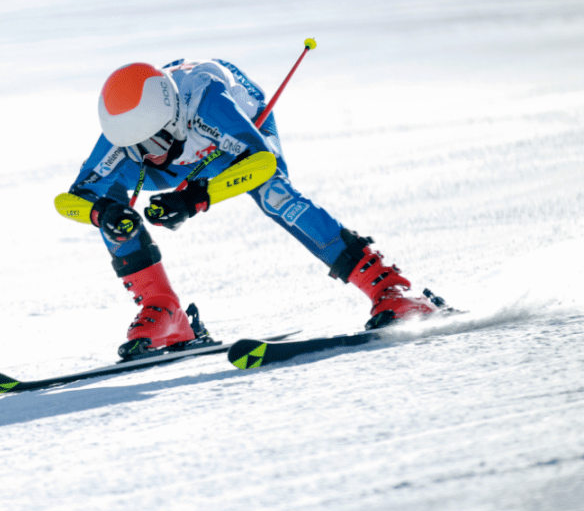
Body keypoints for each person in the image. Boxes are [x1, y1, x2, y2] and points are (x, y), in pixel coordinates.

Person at [55, 58, 442, 359]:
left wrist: (193, 199)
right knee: (111, 215)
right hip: (189, 149)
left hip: (233, 143)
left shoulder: (209, 103)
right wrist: (102, 213)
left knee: (277, 196)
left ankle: (390, 287)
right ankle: (166, 312)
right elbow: (70, 200)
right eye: (134, 148)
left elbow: (261, 165)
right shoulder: (131, 132)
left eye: (152, 141)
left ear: (171, 118)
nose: (147, 157)